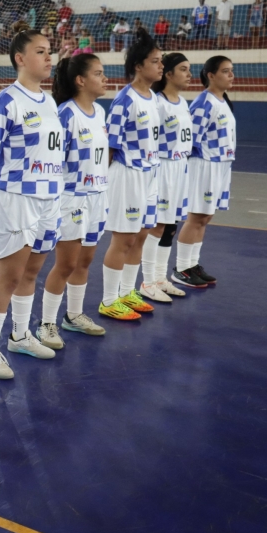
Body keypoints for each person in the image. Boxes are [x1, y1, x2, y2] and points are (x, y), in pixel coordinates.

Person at [0, 25, 63, 370]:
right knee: (9, 275)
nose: (49, 57)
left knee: (32, 273)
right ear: (20, 58)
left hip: (49, 197)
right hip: (15, 198)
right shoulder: (4, 104)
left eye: (49, 51)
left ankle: (20, 335)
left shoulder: (50, 100)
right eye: (40, 51)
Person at [35, 53, 109, 349]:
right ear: (81, 80)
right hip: (72, 197)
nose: (105, 78)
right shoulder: (65, 114)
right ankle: (47, 323)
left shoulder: (100, 112)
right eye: (98, 73)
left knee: (86, 260)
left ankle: (74, 315)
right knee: (66, 263)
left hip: (97, 196)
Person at [97, 29, 163, 321]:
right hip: (128, 173)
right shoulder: (126, 99)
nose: (161, 66)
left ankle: (127, 292)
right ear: (139, 66)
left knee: (142, 234)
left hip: (150, 172)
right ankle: (109, 300)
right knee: (123, 239)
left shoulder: (153, 98)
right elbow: (111, 145)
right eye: (155, 61)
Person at [172, 56, 234, 288]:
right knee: (196, 216)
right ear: (211, 75)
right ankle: (181, 268)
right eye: (226, 71)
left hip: (220, 165)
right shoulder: (203, 102)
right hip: (204, 165)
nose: (231, 75)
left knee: (205, 218)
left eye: (231, 71)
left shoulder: (222, 101)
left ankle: (192, 264)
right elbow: (191, 140)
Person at [139, 53, 194, 302]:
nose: (189, 74)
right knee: (157, 226)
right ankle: (147, 281)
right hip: (162, 167)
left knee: (170, 227)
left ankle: (161, 278)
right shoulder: (158, 103)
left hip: (179, 168)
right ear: (169, 73)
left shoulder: (182, 102)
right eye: (183, 69)